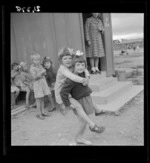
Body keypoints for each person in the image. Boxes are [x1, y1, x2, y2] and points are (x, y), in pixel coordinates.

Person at [60, 53, 105, 145]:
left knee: (83, 122)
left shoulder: (82, 74)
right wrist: (68, 104)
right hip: (79, 101)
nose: (80, 67)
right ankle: (73, 140)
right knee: (81, 123)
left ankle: (80, 138)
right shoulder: (71, 79)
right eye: (78, 65)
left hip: (85, 100)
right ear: (73, 66)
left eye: (82, 65)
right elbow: (63, 92)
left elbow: (87, 74)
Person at [30, 52, 51, 120]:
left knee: (42, 99)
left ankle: (43, 112)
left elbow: (44, 73)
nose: (37, 61)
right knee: (38, 100)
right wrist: (41, 73)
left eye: (38, 60)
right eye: (35, 60)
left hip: (42, 84)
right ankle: (38, 114)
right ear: (32, 61)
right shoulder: (32, 68)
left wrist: (44, 73)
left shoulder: (40, 66)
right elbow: (34, 77)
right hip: (37, 85)